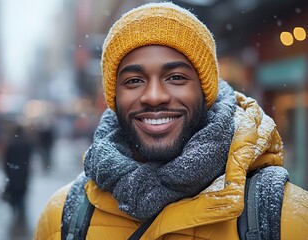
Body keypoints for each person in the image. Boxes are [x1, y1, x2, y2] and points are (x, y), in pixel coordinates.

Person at [34, 2, 308, 240]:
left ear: (205, 92)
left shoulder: (286, 218)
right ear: (114, 97)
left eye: (176, 77)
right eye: (134, 81)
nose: (154, 96)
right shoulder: (63, 218)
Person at [3, 125, 34, 224]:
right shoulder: (26, 144)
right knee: (22, 194)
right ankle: (21, 214)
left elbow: (6, 161)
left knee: (14, 194)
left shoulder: (11, 144)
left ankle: (16, 212)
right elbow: (29, 159)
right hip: (23, 173)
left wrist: (7, 172)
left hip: (13, 173)